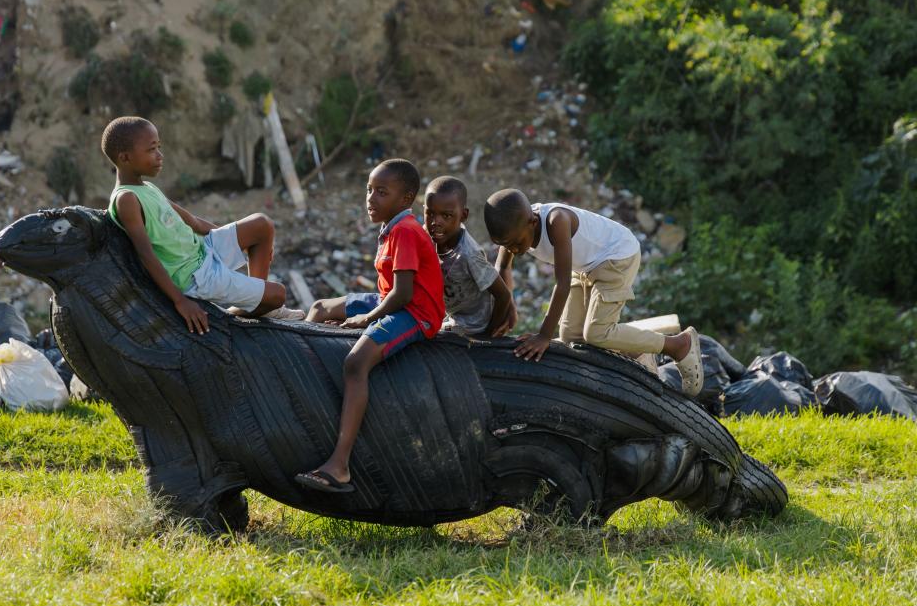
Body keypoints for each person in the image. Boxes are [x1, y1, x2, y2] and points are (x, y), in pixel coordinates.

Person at [297, 158, 445, 493]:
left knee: (355, 363)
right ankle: (302, 379)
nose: (370, 198)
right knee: (320, 308)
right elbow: (390, 288)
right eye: (368, 190)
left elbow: (405, 294)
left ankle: (340, 465)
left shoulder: (405, 231)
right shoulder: (392, 228)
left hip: (416, 312)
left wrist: (368, 318)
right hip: (388, 296)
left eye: (381, 192)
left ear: (405, 199)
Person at [483, 188, 703, 395]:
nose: (512, 249)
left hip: (616, 256)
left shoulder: (556, 220)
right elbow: (502, 267)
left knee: (597, 332)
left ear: (532, 222)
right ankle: (637, 353)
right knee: (571, 337)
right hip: (584, 266)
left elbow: (561, 284)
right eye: (504, 244)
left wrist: (543, 336)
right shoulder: (514, 227)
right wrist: (508, 307)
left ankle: (678, 345)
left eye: (515, 243)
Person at [103, 116, 304, 334]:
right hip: (194, 277)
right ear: (125, 157)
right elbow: (146, 256)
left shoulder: (148, 188)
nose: (160, 156)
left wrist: (239, 242)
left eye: (159, 147)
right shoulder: (126, 200)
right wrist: (180, 301)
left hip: (203, 249)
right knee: (278, 294)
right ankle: (261, 302)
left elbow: (194, 222)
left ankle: (257, 302)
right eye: (152, 150)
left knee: (261, 224)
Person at [423, 176, 515, 337]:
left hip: (472, 325)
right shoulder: (428, 234)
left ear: (463, 215)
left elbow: (503, 295)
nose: (435, 222)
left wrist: (488, 336)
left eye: (446, 216)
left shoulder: (469, 254)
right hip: (452, 313)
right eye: (430, 213)